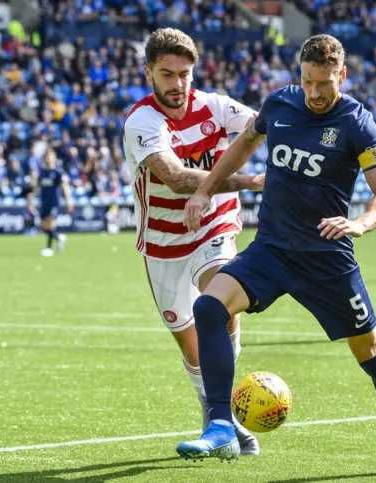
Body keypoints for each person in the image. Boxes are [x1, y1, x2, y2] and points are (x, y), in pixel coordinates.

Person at [177, 34, 376, 477]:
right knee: (208, 308)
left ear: (341, 75)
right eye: (307, 81)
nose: (314, 92)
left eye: (324, 82)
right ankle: (221, 425)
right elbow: (244, 145)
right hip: (271, 249)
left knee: (372, 355)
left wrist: (360, 223)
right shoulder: (279, 105)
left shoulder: (356, 122)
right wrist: (206, 188)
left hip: (327, 260)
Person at [122, 28, 265, 456]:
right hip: (164, 242)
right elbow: (176, 177)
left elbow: (267, 124)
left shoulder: (217, 106)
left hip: (214, 225)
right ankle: (212, 407)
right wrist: (251, 181)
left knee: (219, 304)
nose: (177, 84)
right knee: (190, 341)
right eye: (167, 74)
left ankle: (222, 413)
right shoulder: (141, 121)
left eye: (184, 74)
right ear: (148, 72)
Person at [36, 148, 73, 257]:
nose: (48, 158)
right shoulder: (42, 173)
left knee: (49, 224)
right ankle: (58, 237)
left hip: (54, 202)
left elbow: (64, 188)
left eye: (50, 156)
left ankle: (49, 248)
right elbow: (37, 188)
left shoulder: (57, 173)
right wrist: (32, 199)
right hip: (44, 202)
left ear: (54, 157)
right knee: (43, 227)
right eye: (46, 156)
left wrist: (68, 201)